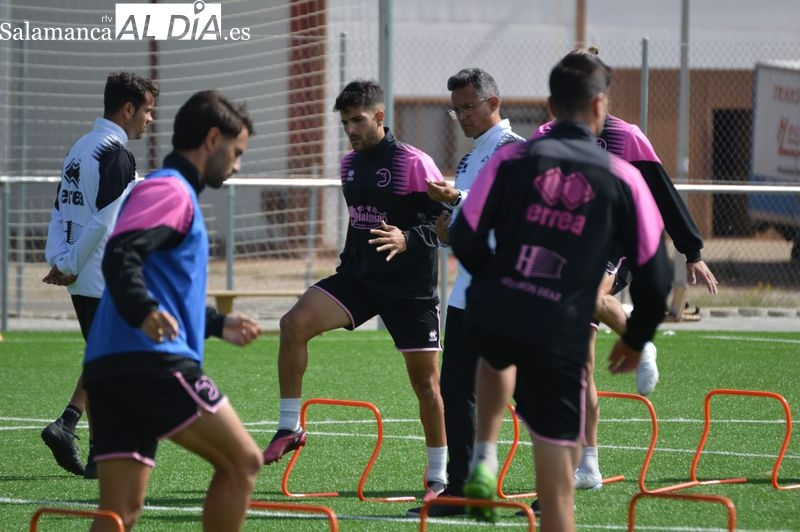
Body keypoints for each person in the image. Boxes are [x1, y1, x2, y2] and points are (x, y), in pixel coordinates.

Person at [449, 51, 673, 530]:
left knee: (498, 350)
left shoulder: (510, 158)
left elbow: (465, 234)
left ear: (550, 107)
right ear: (600, 107)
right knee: (557, 495)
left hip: (496, 307)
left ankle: (485, 455)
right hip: (560, 324)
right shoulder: (623, 177)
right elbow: (658, 276)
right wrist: (637, 338)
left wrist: (491, 279)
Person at [527, 47, 718, 504]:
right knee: (580, 367)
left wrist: (691, 249)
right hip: (567, 245)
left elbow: (661, 191)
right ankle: (588, 466)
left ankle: (639, 335)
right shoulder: (547, 135)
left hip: (617, 243)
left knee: (592, 292)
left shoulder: (626, 137)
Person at [82, 90, 263, 531]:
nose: (237, 165)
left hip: (110, 366)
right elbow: (120, 256)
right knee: (243, 462)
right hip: (151, 363)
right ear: (213, 138)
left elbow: (164, 287)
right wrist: (142, 310)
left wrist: (217, 324)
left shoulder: (166, 190)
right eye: (236, 153)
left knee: (120, 513)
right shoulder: (171, 189)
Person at [262, 79, 449, 502]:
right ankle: (290, 427)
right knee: (292, 325)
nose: (351, 129)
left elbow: (447, 225)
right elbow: (360, 221)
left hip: (409, 292)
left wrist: (407, 238)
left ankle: (438, 477)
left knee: (427, 386)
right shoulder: (348, 164)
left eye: (358, 120)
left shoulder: (415, 162)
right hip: (359, 282)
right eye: (345, 122)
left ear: (379, 117)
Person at [406, 67, 524, 518]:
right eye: (455, 110)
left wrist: (457, 198)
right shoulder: (473, 157)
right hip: (467, 292)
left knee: (528, 394)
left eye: (468, 107)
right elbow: (472, 224)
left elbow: (507, 206)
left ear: (494, 103)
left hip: (508, 291)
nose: (461, 116)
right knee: (457, 391)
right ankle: (461, 488)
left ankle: (557, 483)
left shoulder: (515, 151)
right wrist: (447, 228)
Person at [41, 72, 158, 479]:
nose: (150, 120)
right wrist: (69, 263)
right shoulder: (115, 153)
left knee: (107, 358)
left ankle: (85, 442)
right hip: (101, 274)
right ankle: (74, 430)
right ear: (128, 109)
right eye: (147, 111)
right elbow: (103, 223)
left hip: (81, 273)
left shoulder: (80, 148)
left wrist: (59, 258)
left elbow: (61, 209)